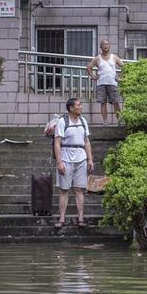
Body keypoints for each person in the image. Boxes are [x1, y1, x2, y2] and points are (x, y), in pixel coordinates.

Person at [54, 97, 94, 229]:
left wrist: (90, 159)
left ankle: (81, 218)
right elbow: (57, 143)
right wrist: (59, 162)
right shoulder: (62, 121)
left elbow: (86, 141)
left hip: (81, 158)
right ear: (71, 108)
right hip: (66, 158)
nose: (81, 107)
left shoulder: (83, 121)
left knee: (79, 189)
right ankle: (62, 218)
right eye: (78, 105)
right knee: (64, 189)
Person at [87, 39, 124, 126]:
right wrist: (93, 76)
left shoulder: (114, 57)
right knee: (103, 103)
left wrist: (119, 77)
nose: (105, 46)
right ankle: (105, 121)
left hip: (112, 83)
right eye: (103, 44)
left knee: (116, 102)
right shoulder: (97, 58)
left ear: (109, 46)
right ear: (100, 47)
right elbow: (89, 67)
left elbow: (124, 66)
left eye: (107, 44)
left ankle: (120, 121)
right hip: (101, 83)